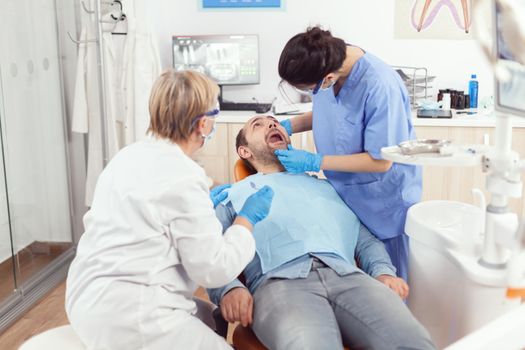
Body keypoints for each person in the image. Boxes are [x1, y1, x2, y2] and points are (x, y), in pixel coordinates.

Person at [65, 70, 274, 350]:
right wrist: (246, 220)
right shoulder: (183, 177)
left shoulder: (126, 156)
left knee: (210, 316)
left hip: (85, 297)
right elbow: (213, 269)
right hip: (133, 316)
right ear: (202, 124)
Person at [208, 115, 435, 350]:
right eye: (258, 124)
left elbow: (365, 241)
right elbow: (210, 252)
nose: (272, 124)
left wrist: (383, 273)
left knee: (414, 342)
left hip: (348, 277)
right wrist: (229, 289)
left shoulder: (327, 187)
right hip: (279, 284)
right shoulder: (232, 196)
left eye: (274, 122)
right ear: (244, 151)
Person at [276, 26, 422, 281]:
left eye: (310, 88)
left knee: (390, 281)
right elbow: (331, 112)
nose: (313, 93)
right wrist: (288, 125)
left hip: (382, 202)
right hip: (344, 195)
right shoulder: (327, 61)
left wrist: (314, 161)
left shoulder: (380, 86)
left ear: (328, 78)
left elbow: (381, 161)